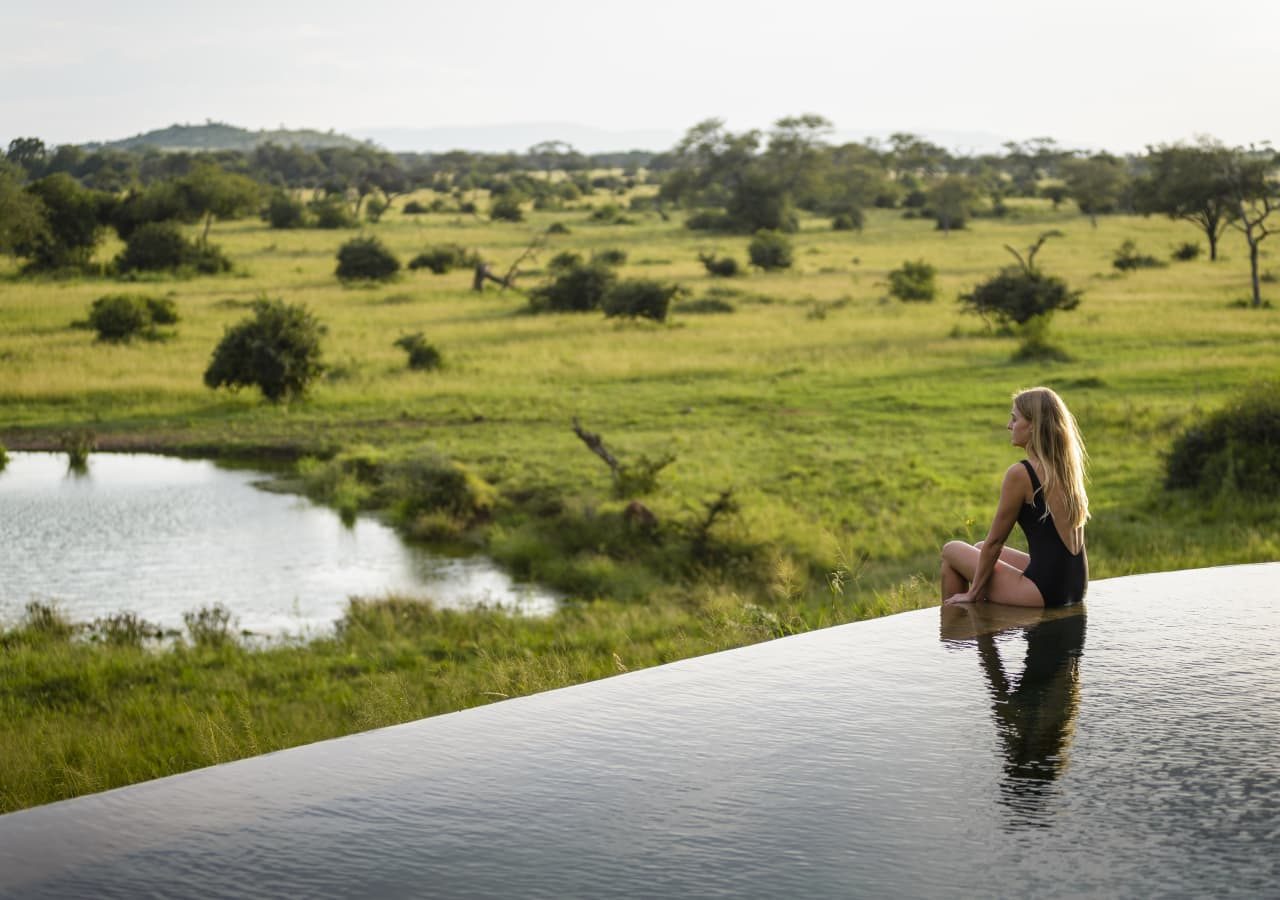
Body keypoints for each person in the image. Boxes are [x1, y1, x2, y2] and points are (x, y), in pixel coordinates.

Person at [941, 387, 1089, 607]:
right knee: (978, 547)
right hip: (1075, 584)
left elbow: (996, 542)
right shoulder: (1066, 467)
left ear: (1033, 426)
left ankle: (958, 633)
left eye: (1014, 419)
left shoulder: (1021, 473)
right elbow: (988, 547)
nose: (1009, 426)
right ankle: (974, 621)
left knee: (951, 551)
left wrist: (973, 593)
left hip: (1045, 591)